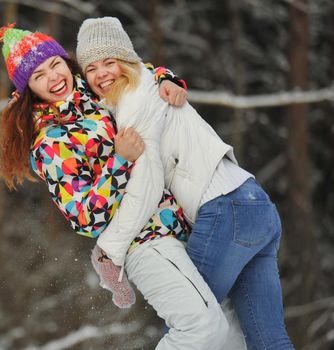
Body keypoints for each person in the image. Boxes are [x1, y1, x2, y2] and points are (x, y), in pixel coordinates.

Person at [0, 23, 236, 349]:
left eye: (55, 65)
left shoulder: (96, 93)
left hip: (184, 225)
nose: (53, 78)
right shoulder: (50, 143)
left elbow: (136, 71)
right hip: (144, 243)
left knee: (230, 335)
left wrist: (166, 78)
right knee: (203, 330)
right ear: (29, 91)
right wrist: (119, 162)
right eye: (39, 76)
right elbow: (84, 217)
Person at [77, 16, 294, 350]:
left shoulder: (136, 102)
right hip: (256, 205)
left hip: (225, 211)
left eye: (110, 62)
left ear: (127, 61)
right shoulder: (147, 86)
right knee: (267, 339)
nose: (101, 73)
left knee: (193, 326)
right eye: (91, 68)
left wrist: (110, 249)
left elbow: (146, 185)